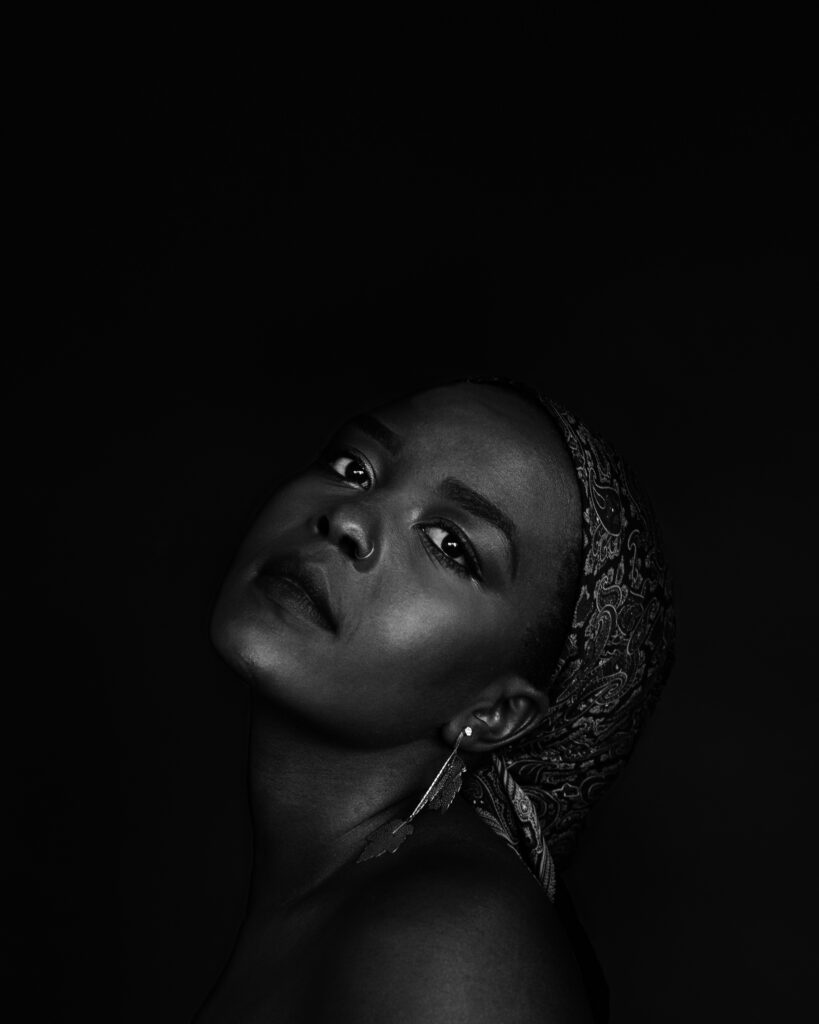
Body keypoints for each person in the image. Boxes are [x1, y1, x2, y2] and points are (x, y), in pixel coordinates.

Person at [193, 378, 675, 1024]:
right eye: (353, 467)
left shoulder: (450, 944)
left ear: (492, 714)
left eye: (451, 546)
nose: (348, 518)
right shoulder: (351, 900)